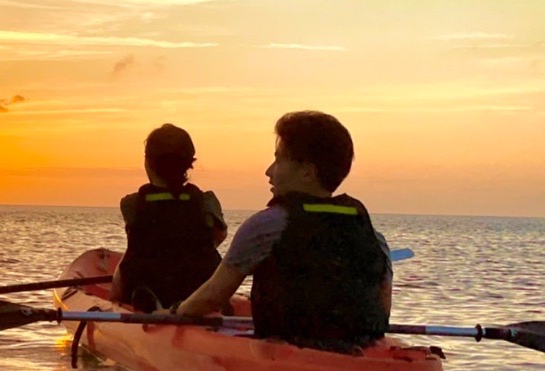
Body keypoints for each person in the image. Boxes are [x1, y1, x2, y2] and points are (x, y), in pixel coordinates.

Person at [175, 111, 391, 351]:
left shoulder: (266, 226)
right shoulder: (374, 237)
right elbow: (383, 308)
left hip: (288, 351)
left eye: (278, 160)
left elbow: (211, 297)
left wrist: (177, 312)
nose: (269, 171)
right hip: (355, 349)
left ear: (307, 172)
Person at [109, 124, 228, 311]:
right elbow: (218, 237)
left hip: (149, 282)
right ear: (189, 163)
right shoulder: (207, 202)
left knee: (128, 267)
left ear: (148, 162)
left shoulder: (131, 204)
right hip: (196, 283)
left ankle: (138, 304)